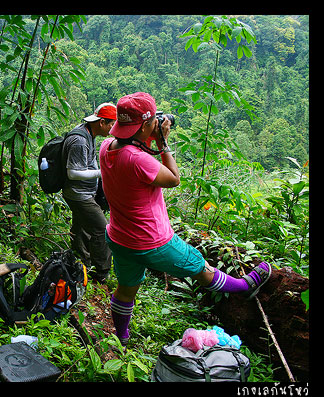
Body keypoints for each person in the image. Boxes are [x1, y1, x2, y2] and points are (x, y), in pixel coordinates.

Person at [98, 92, 272, 346]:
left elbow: (136, 158)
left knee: (126, 288)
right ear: (146, 125)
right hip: (152, 241)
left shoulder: (106, 148)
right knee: (200, 267)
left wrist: (147, 138)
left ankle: (122, 339)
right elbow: (173, 178)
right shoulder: (138, 159)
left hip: (119, 236)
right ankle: (243, 287)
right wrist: (163, 142)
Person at [62, 103, 117, 283]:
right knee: (103, 229)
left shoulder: (88, 133)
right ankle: (100, 273)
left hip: (83, 193)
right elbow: (73, 172)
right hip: (79, 195)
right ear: (101, 122)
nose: (112, 128)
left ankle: (80, 262)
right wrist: (102, 173)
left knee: (81, 227)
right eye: (111, 124)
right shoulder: (80, 140)